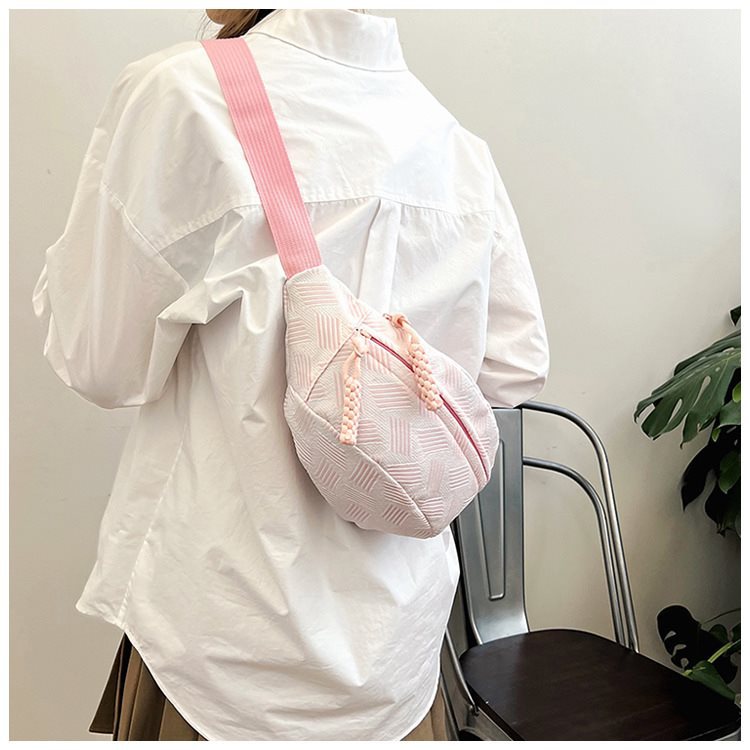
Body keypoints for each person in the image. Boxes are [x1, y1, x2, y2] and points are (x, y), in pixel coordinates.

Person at [31, 8, 550, 742]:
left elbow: (98, 362)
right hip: (397, 660)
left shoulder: (184, 94)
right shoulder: (457, 149)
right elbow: (516, 365)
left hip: (225, 650)